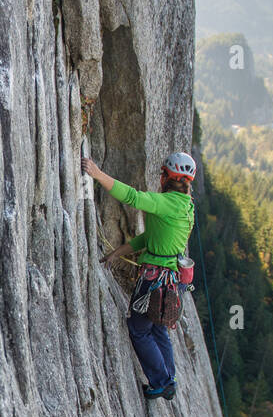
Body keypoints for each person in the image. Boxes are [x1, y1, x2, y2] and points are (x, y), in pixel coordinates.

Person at [84, 151, 196, 400]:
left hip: (155, 280)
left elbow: (133, 197)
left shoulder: (168, 202)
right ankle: (169, 377)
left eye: (162, 174)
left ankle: (162, 381)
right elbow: (150, 238)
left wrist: (97, 174)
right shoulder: (186, 206)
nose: (160, 178)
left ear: (167, 176)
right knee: (157, 328)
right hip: (172, 280)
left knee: (138, 328)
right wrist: (117, 253)